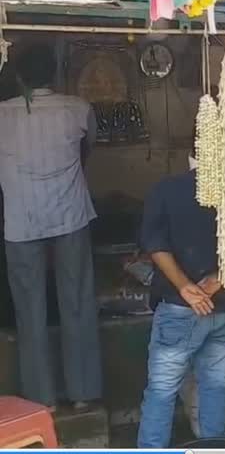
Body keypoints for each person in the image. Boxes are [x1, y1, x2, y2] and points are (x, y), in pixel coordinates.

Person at [0, 44, 102, 409]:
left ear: (19, 77)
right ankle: (83, 395)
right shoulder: (77, 108)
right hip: (69, 216)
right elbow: (87, 149)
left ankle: (43, 400)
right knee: (76, 303)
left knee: (30, 311)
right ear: (55, 74)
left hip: (21, 222)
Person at [137, 151, 225, 448]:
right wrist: (217, 281)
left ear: (190, 156)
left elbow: (154, 244)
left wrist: (185, 286)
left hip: (180, 310)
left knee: (161, 391)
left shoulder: (167, 189)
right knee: (214, 387)